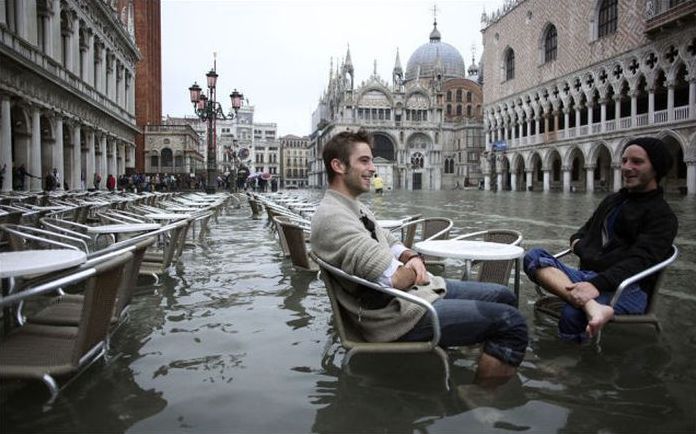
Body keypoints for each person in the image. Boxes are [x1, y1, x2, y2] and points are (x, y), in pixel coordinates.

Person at [310, 130, 528, 382]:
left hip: (413, 296)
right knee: (512, 322)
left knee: (504, 295)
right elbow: (398, 280)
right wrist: (414, 269)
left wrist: (411, 255)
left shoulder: (353, 206)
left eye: (372, 161)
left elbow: (388, 240)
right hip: (395, 317)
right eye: (364, 161)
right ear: (338, 166)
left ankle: (485, 349)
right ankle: (481, 398)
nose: (373, 169)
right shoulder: (334, 219)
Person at [524, 137, 678, 342]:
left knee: (573, 312)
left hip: (628, 288)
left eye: (637, 162)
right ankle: (592, 306)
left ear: (656, 168)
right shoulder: (612, 201)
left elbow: (639, 262)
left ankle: (570, 366)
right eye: (624, 161)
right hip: (588, 277)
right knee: (534, 256)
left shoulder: (662, 216)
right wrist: (588, 257)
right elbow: (580, 234)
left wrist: (595, 283)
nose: (626, 167)